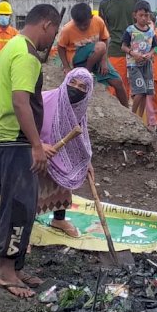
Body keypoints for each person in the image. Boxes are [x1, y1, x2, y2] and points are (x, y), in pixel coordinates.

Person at [0, 4, 62, 298]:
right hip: (17, 143)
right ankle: (5, 272)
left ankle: (16, 266)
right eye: (54, 31)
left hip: (6, 140)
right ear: (45, 24)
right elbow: (20, 101)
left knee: (22, 206)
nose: (52, 38)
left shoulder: (9, 47)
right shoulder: (28, 56)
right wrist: (36, 144)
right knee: (19, 207)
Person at [39, 68, 95, 237]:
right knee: (29, 191)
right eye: (72, 82)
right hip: (35, 150)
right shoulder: (44, 99)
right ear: (65, 80)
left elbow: (81, 136)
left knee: (65, 176)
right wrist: (38, 145)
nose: (76, 88)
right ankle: (23, 229)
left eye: (82, 87)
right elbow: (22, 125)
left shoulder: (78, 108)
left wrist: (87, 163)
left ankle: (59, 219)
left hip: (59, 152)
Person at [56, 3, 128, 105]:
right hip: (77, 58)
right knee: (100, 46)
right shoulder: (67, 29)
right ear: (74, 21)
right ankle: (87, 73)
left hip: (97, 56)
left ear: (91, 17)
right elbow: (60, 47)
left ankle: (126, 111)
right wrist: (66, 66)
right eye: (78, 25)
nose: (82, 27)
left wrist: (104, 61)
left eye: (85, 24)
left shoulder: (98, 21)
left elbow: (105, 39)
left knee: (118, 82)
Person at [99, 0, 142, 96]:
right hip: (116, 49)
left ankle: (133, 115)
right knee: (116, 87)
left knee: (139, 89)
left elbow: (146, 20)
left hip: (137, 48)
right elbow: (103, 31)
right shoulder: (105, 4)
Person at [122, 0, 157, 127]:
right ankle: (131, 116)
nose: (143, 18)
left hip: (147, 65)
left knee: (146, 92)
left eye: (146, 15)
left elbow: (155, 47)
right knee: (140, 91)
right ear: (135, 15)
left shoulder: (151, 32)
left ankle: (139, 121)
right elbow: (123, 46)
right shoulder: (130, 30)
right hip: (133, 65)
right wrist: (133, 53)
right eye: (141, 15)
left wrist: (151, 54)